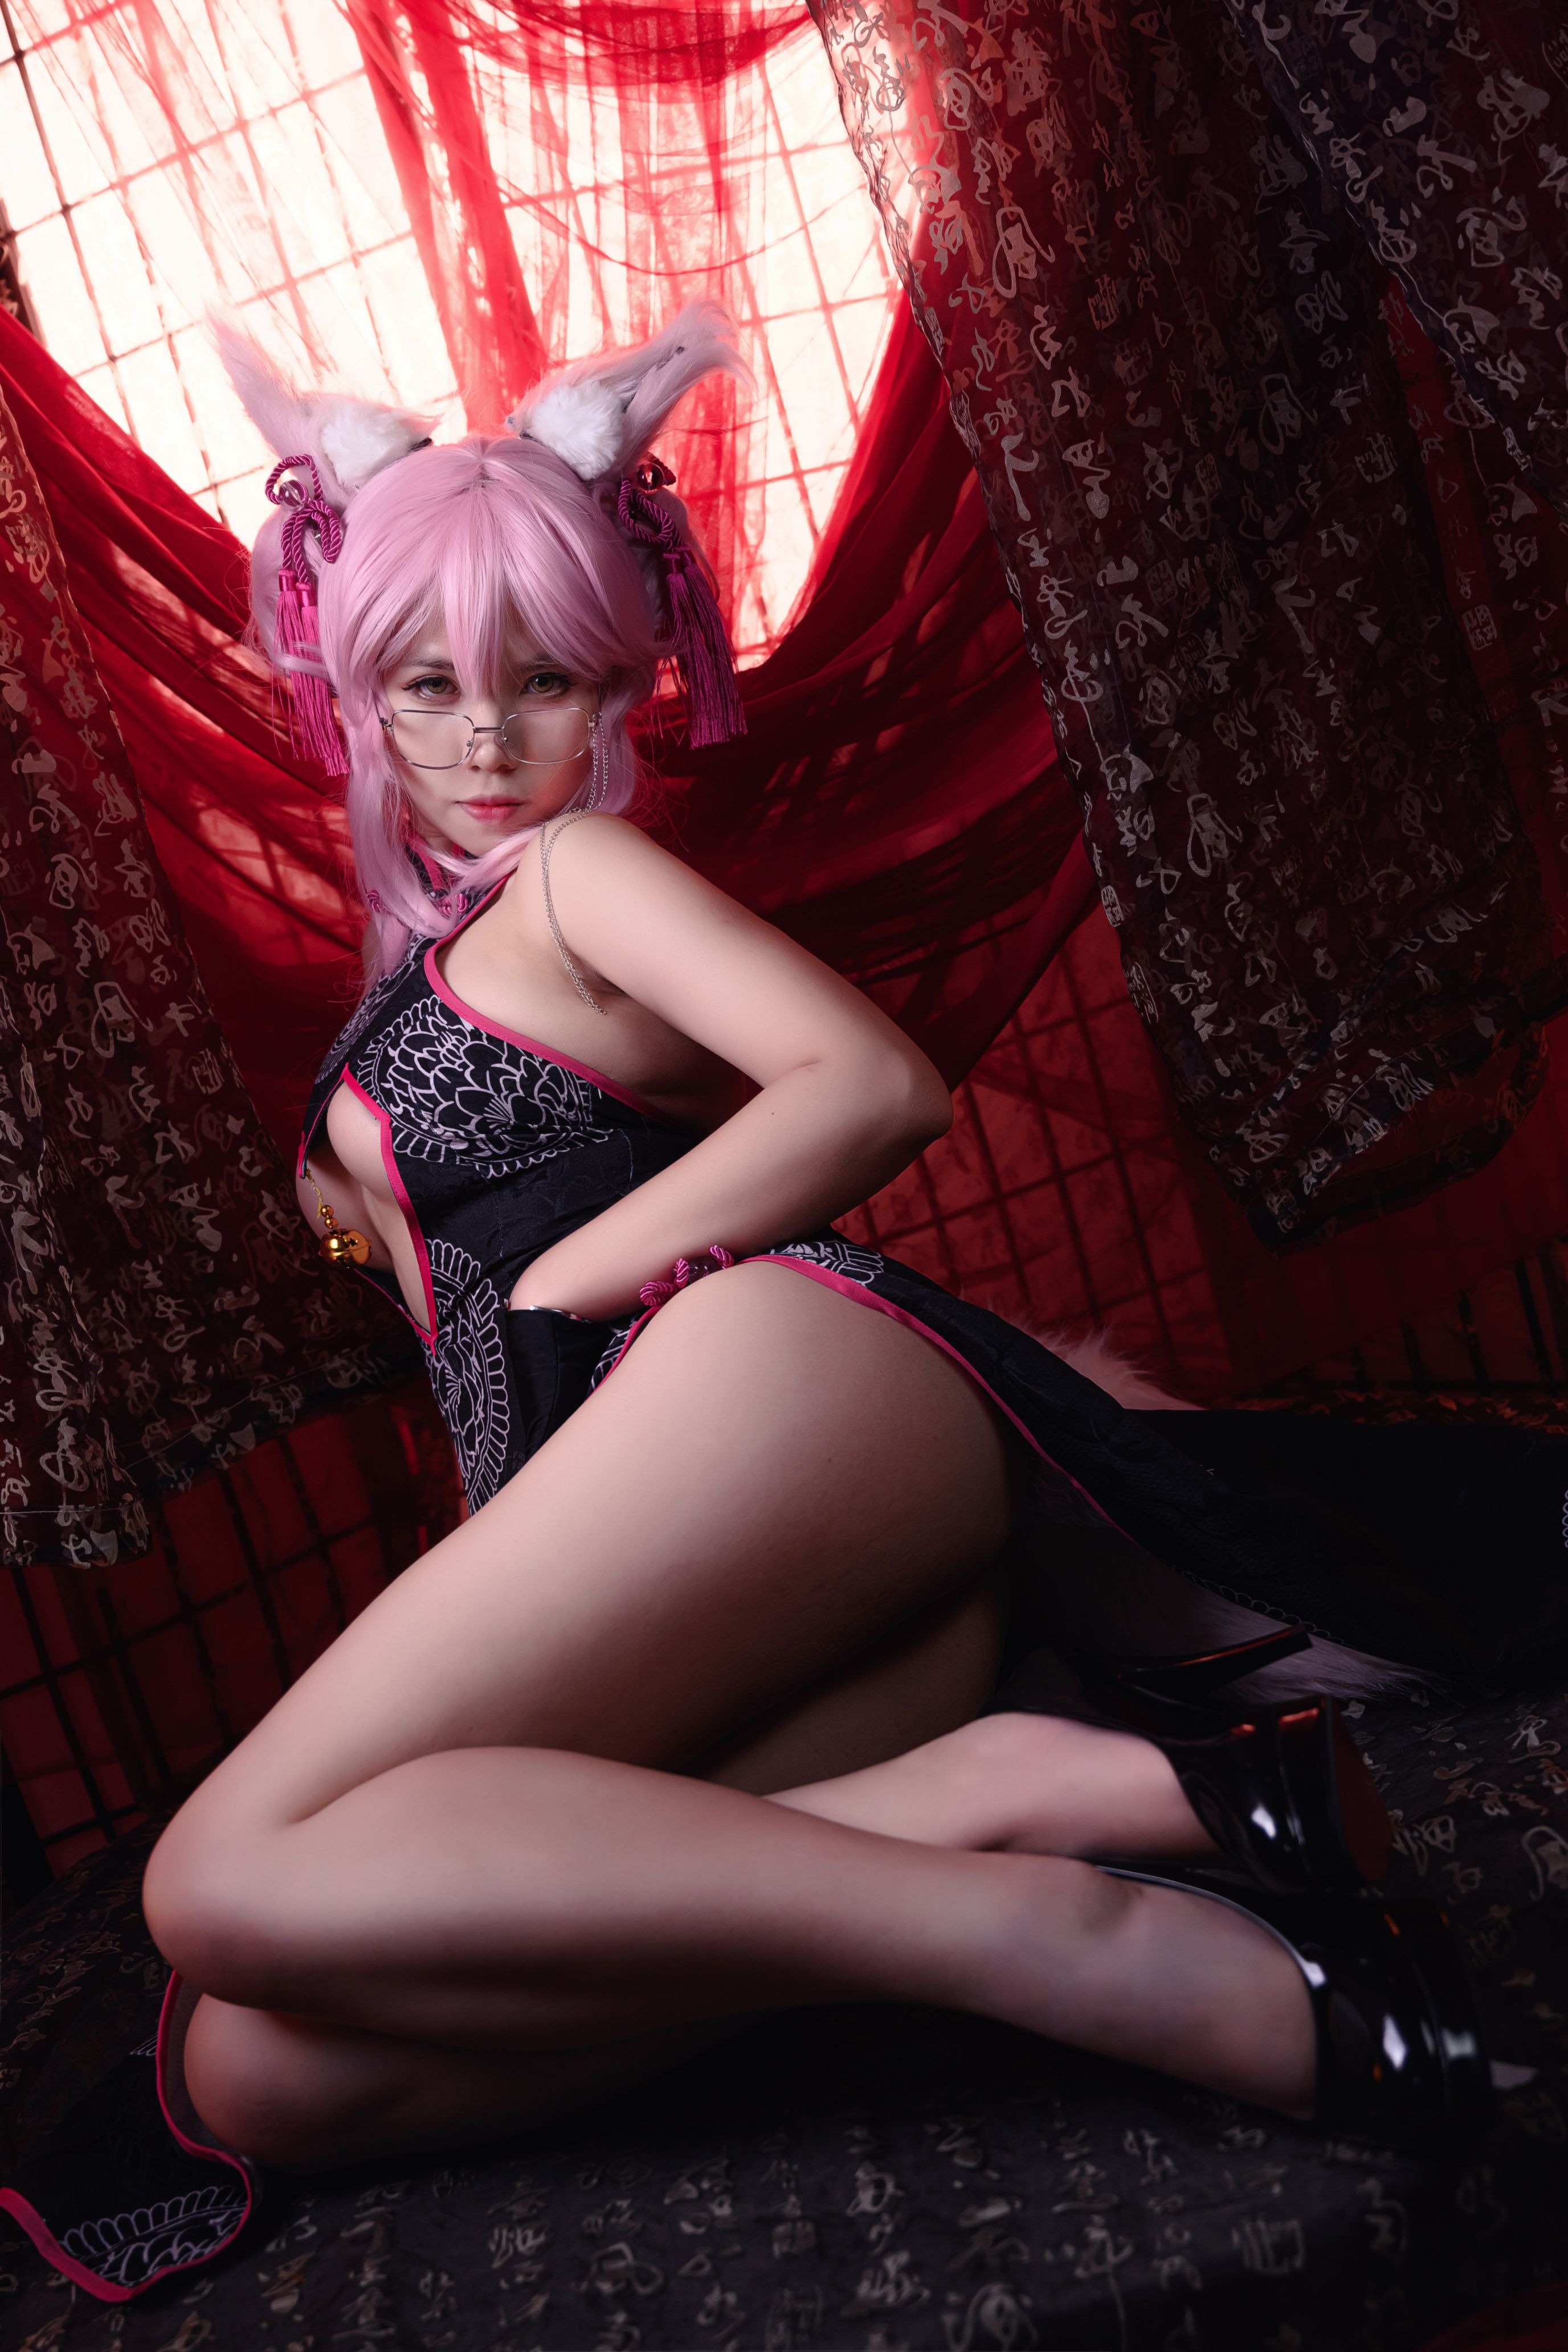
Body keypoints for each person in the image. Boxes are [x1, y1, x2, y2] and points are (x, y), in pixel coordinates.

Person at [140, 307, 1522, 2182]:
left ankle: (1085, 1946)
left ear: (616, 684)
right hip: (715, 1532)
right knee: (262, 2068)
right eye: (430, 685)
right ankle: (997, 1794)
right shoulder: (435, 960)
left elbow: (871, 1086)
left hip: (764, 1391)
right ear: (358, 694)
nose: (487, 739)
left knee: (216, 1879)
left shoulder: (580, 874)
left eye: (542, 682)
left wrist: (566, 1280)